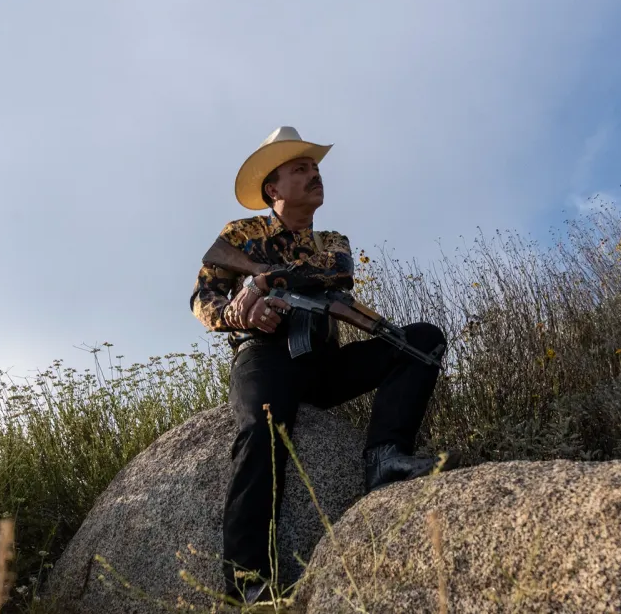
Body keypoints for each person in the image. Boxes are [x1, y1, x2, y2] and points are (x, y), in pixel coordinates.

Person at [188, 126, 458, 604]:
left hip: (323, 364)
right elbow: (202, 298)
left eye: (315, 168)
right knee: (257, 432)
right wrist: (239, 310)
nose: (314, 175)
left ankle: (385, 458)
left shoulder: (332, 240)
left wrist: (265, 280)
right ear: (273, 188)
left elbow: (333, 274)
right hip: (265, 357)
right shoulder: (241, 235)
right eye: (300, 169)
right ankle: (248, 583)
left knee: (421, 340)